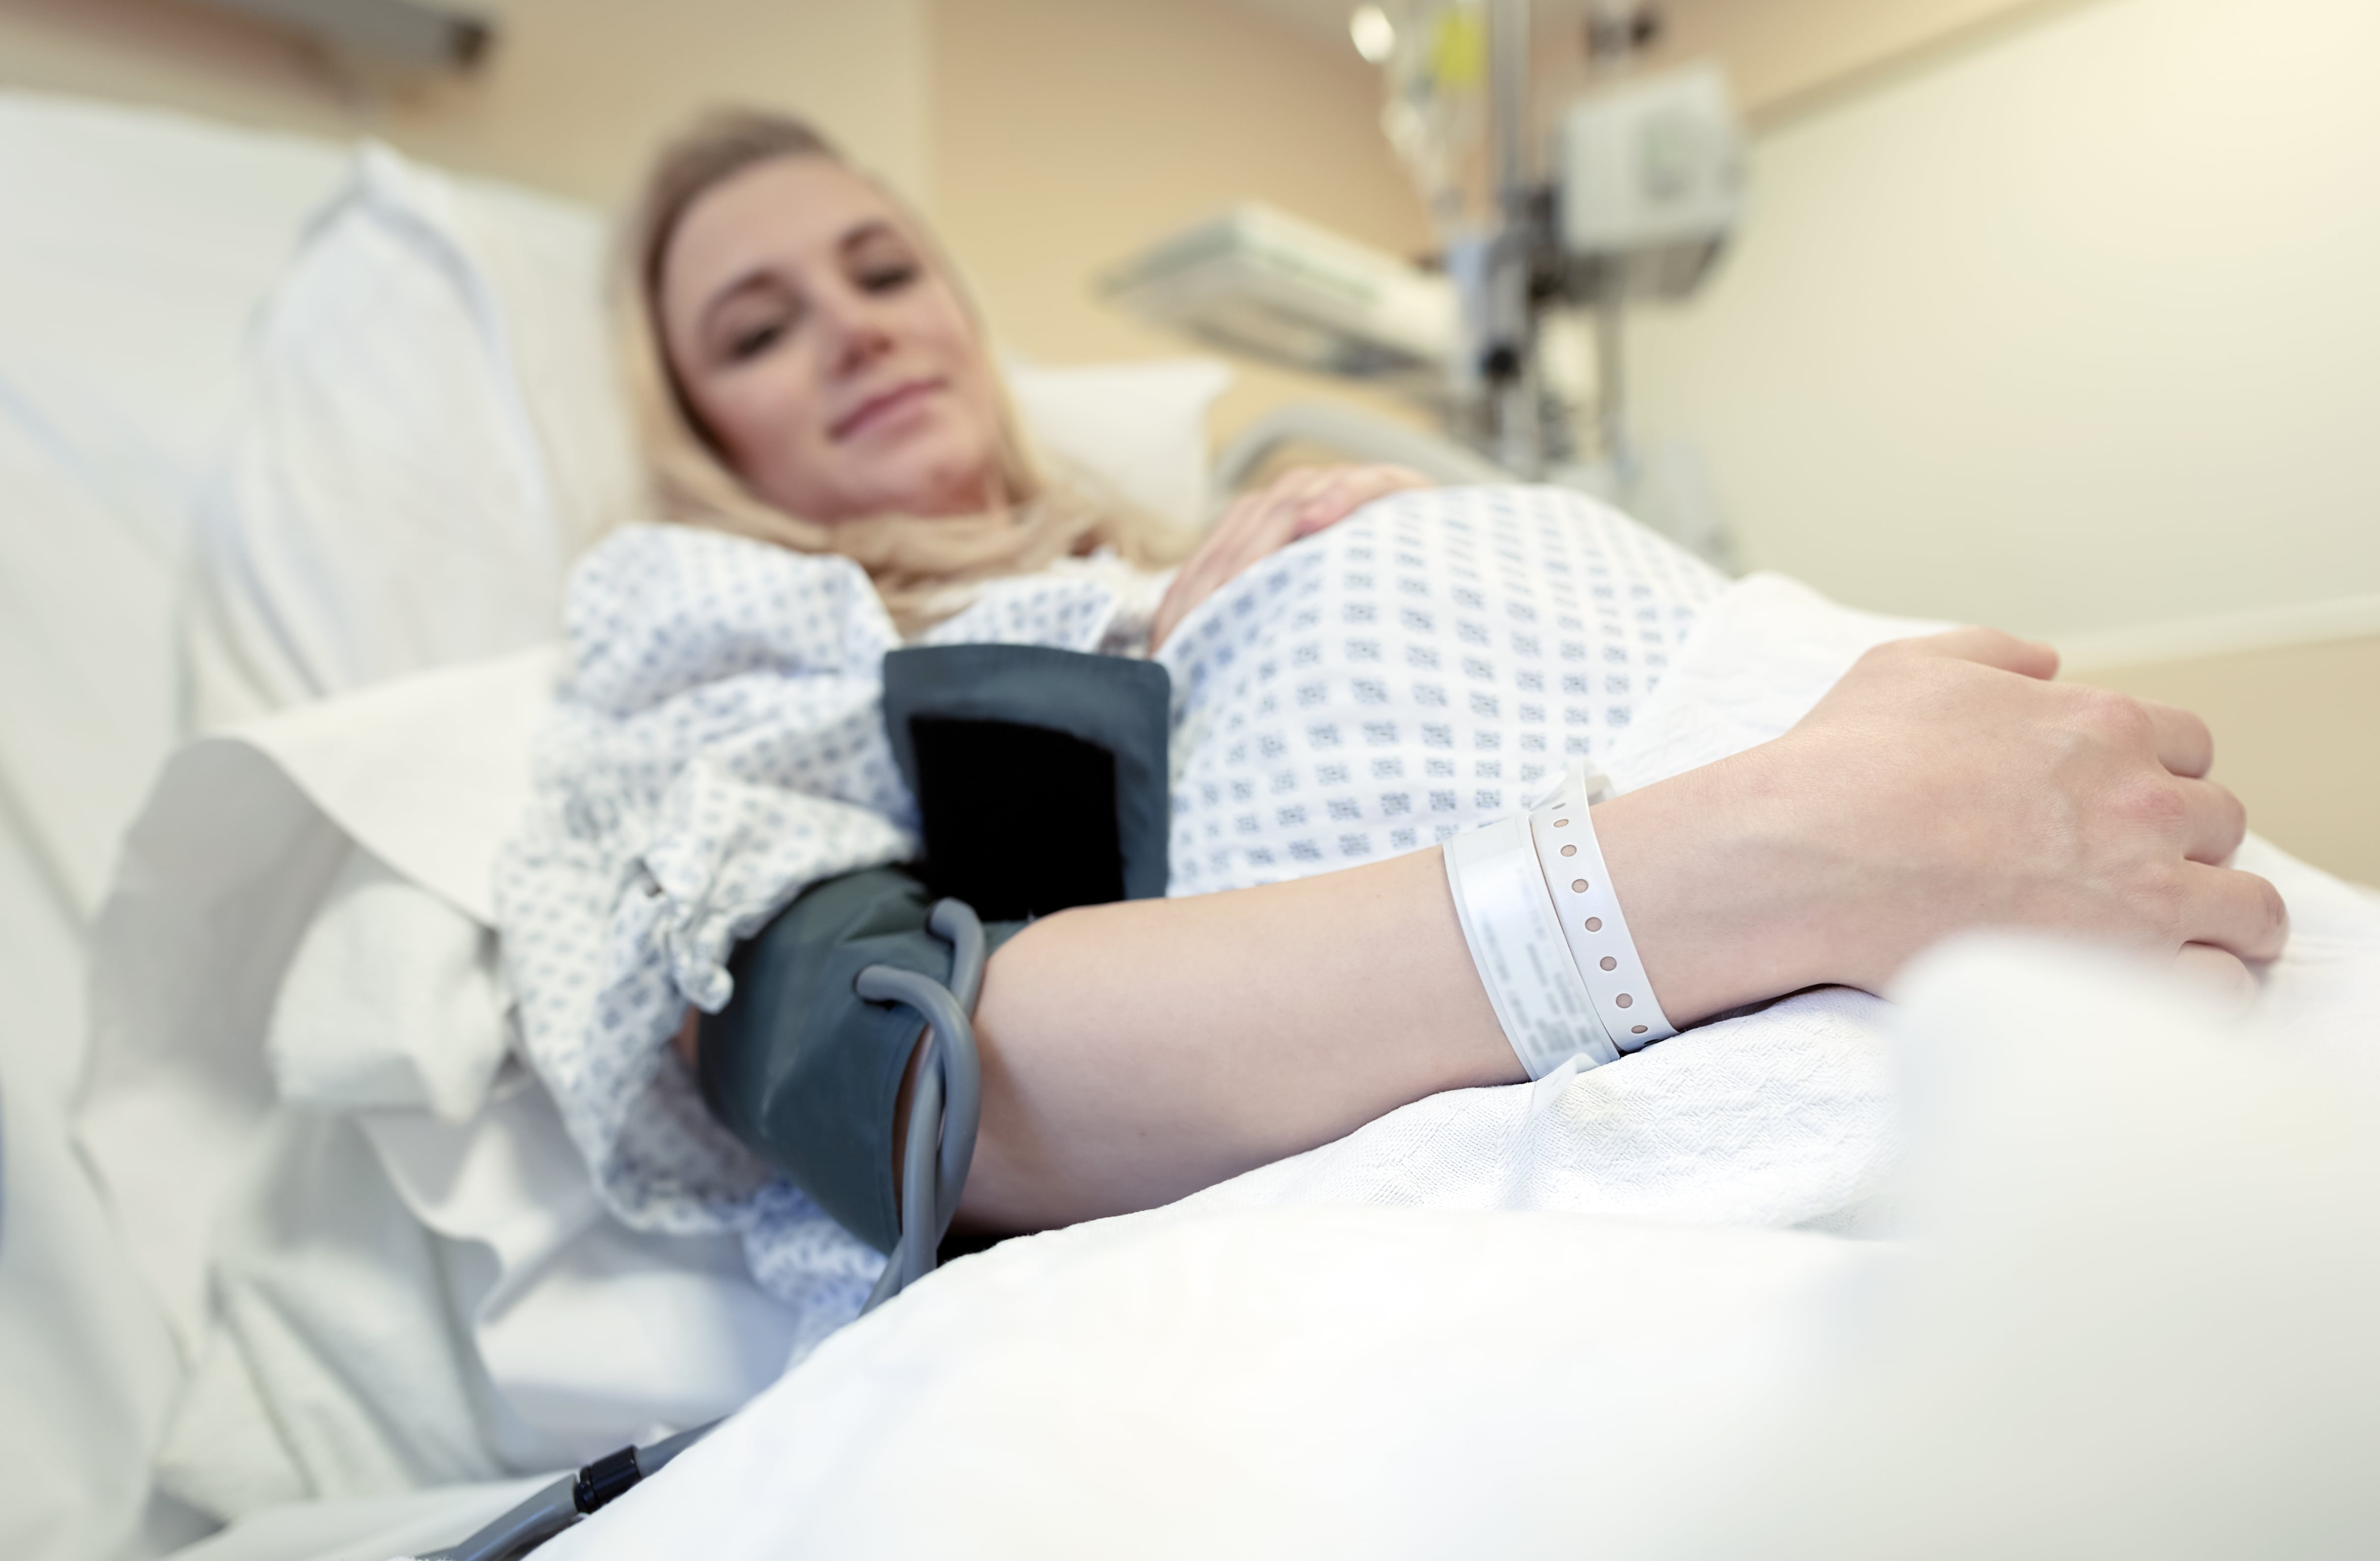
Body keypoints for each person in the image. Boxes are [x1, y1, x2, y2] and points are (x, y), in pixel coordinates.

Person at [505, 108, 2285, 1271]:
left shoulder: (1187, 545)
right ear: (698, 426)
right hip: (1787, 919)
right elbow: (904, 1077)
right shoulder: (734, 670)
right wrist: (1785, 852)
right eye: (758, 328)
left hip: (1982, 842)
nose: (854, 327)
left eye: (885, 269)